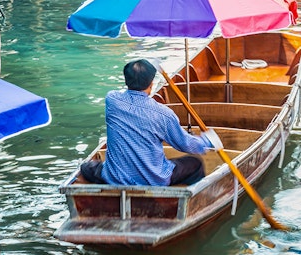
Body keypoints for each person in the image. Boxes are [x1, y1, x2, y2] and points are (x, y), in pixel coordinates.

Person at [79, 60, 221, 186]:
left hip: (115, 177)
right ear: (151, 84)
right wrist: (207, 141)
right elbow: (186, 144)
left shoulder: (112, 100)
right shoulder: (163, 114)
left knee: (86, 167)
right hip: (153, 180)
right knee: (195, 164)